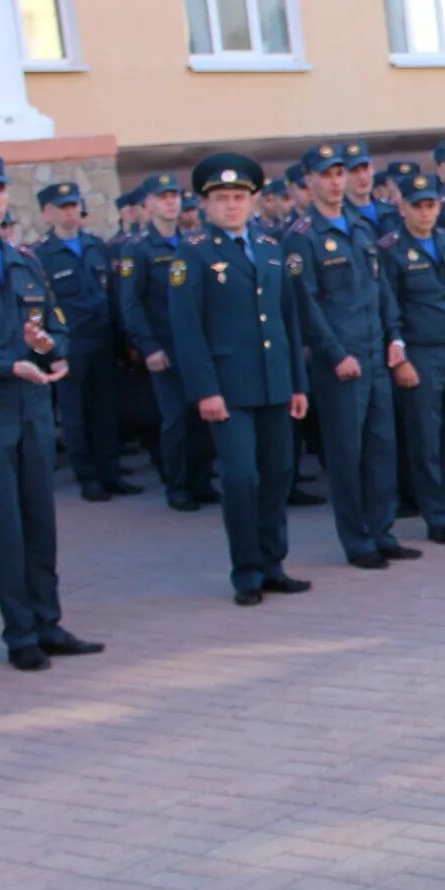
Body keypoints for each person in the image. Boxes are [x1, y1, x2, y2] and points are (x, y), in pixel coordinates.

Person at [0, 154, 103, 669]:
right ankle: (19, 635)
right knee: (4, 525)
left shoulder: (26, 261)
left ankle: (48, 622)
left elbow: (56, 329)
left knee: (41, 519)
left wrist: (49, 349)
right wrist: (8, 365)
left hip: (34, 406)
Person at [168, 154, 312, 606]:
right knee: (241, 478)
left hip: (273, 383)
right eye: (221, 199)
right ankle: (246, 571)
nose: (231, 206)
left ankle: (273, 563)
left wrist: (297, 384)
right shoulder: (191, 253)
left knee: (278, 473)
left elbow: (288, 323)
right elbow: (187, 330)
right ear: (205, 205)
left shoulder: (270, 247)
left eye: (238, 197)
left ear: (253, 200)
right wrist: (205, 390)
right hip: (228, 389)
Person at [284, 143, 414, 570]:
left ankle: (382, 531)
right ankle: (357, 540)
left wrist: (395, 336)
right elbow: (306, 305)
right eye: (326, 174)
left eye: (340, 172)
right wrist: (335, 354)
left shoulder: (360, 226)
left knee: (382, 449)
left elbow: (380, 289)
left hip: (376, 354)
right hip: (341, 363)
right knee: (347, 454)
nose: (336, 181)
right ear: (309, 182)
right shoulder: (302, 236)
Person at [379, 174, 445, 545]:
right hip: (420, 352)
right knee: (426, 440)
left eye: (431, 205)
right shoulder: (391, 248)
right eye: (418, 206)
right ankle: (436, 516)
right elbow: (389, 305)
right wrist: (399, 356)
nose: (425, 213)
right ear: (403, 207)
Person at [33, 181, 138, 501]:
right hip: (70, 346)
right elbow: (43, 307)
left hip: (103, 340)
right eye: (62, 207)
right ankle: (88, 477)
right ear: (46, 213)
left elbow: (112, 296)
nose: (70, 213)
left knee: (106, 411)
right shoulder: (41, 256)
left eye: (73, 206)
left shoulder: (95, 246)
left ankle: (110, 473)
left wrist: (122, 341)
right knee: (76, 415)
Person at [120, 173, 219, 510]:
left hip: (197, 346)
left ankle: (202, 481)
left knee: (203, 415)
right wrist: (148, 347)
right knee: (176, 419)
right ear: (147, 204)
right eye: (163, 196)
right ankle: (177, 486)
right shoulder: (137, 249)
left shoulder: (192, 242)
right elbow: (130, 304)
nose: (171, 202)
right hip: (165, 347)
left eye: (175, 195)